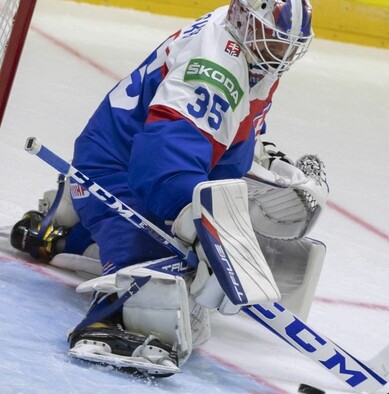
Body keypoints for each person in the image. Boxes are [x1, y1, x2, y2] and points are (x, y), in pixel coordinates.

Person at [10, 0, 329, 376]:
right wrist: (206, 226)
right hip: (115, 170)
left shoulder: (246, 41)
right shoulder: (214, 66)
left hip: (145, 155)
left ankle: (65, 230)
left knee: (202, 245)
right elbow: (161, 165)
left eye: (289, 45)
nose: (281, 54)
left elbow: (221, 128)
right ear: (244, 19)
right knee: (165, 279)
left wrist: (250, 171)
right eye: (273, 41)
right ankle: (104, 322)